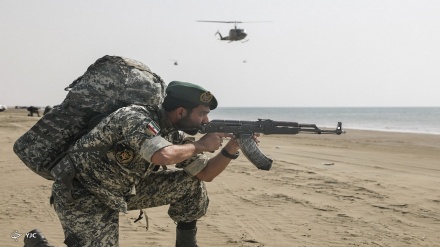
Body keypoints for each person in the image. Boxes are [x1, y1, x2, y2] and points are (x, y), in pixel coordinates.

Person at [46, 81, 256, 247]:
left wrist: (232, 147)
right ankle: (36, 242)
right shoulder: (135, 117)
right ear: (181, 111)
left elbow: (206, 173)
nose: (206, 121)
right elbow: (162, 156)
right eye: (202, 113)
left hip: (120, 191)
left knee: (190, 184)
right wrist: (201, 144)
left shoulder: (172, 132)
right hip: (83, 193)